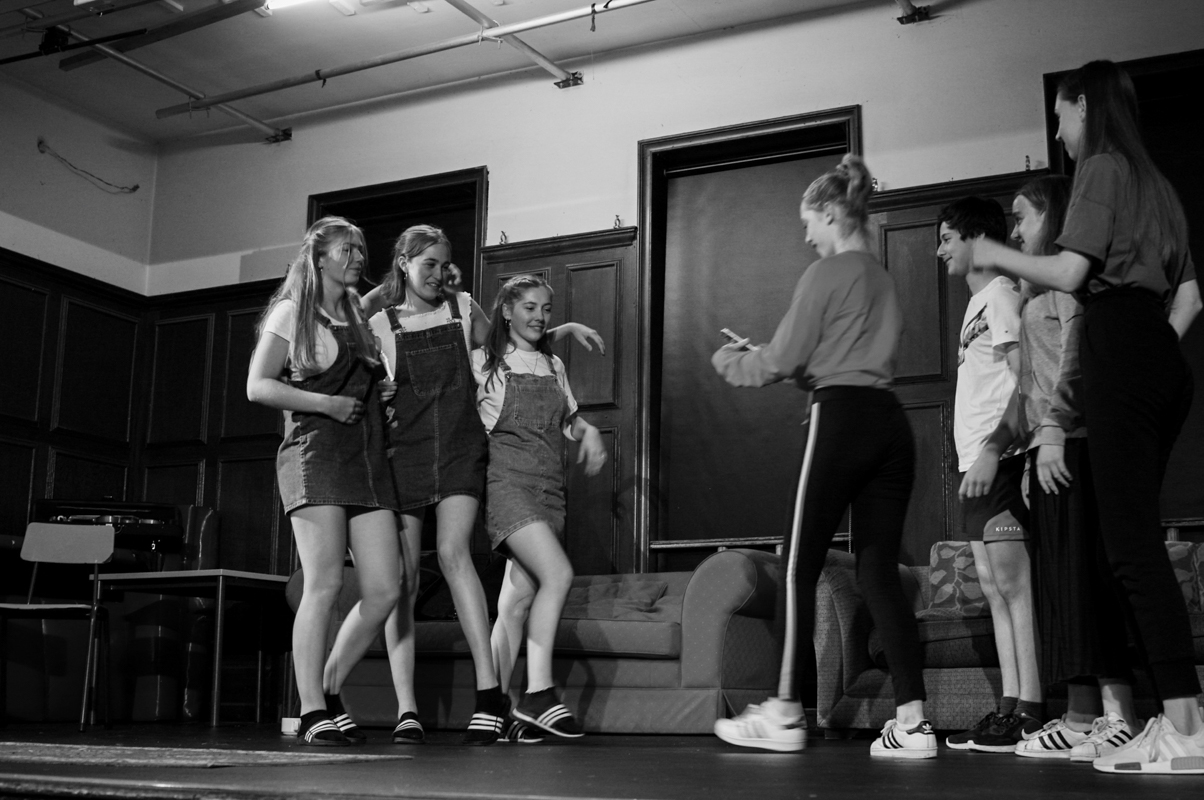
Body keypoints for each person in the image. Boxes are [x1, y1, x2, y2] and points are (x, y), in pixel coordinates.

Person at [971, 59, 1203, 775]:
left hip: (1121, 346)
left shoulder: (1102, 166)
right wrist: (1150, 348)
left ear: (1082, 105)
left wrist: (994, 252)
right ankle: (1170, 719)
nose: (1060, 133)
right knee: (1124, 549)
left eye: (1061, 117)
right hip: (1157, 356)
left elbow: (1072, 273)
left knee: (1129, 551)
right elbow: (1190, 298)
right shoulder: (1158, 186)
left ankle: (1188, 728)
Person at [325, 225, 603, 746]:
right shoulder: (380, 322)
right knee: (404, 582)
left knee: (456, 555)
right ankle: (407, 708)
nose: (438, 273)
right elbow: (346, 339)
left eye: (443, 263)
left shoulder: (463, 307)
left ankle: (489, 694)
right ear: (404, 263)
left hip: (459, 450)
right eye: (426, 263)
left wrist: (560, 329)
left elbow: (509, 344)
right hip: (404, 454)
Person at [711, 154, 935, 759]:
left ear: (832, 214)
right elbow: (833, 360)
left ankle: (785, 711)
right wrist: (788, 360)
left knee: (796, 565)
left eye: (808, 223)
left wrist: (731, 360)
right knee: (878, 572)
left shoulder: (824, 274)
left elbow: (781, 362)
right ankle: (914, 722)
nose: (807, 236)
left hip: (840, 420)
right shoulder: (881, 276)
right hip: (889, 423)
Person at [967, 176, 1139, 761]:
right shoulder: (1032, 292)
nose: (1014, 232)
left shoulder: (1065, 288)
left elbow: (1074, 359)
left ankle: (1120, 716)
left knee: (1089, 579)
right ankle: (1081, 714)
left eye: (1022, 217)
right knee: (1062, 585)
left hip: (1075, 443)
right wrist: (1018, 445)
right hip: (1045, 450)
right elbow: (1027, 387)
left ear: (1053, 216)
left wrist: (1055, 428)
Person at [247, 216, 402, 746]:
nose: (357, 257)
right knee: (325, 584)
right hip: (315, 456)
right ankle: (312, 710)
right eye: (346, 250)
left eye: (360, 249)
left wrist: (377, 394)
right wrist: (325, 403)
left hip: (367, 460)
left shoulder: (357, 314)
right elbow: (258, 386)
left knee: (384, 589)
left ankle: (329, 689)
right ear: (318, 259)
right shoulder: (293, 312)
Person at [472, 275, 608, 741]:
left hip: (551, 493)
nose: (540, 316)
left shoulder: (553, 364)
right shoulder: (486, 363)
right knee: (558, 575)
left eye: (547, 309)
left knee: (515, 604)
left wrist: (590, 433)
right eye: (529, 307)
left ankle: (494, 711)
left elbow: (570, 422)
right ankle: (538, 693)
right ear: (507, 310)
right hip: (508, 487)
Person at [939, 196, 1043, 753]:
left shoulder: (1002, 295)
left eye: (947, 239)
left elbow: (1025, 382)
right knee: (992, 587)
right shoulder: (976, 303)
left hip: (1000, 461)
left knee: (1013, 585)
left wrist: (993, 451)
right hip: (975, 463)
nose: (941, 251)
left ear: (975, 240)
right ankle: (1008, 706)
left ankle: (1032, 708)